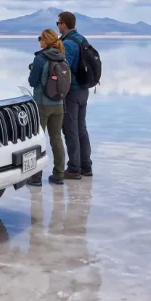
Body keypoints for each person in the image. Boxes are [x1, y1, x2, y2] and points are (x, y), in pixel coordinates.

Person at [25, 29, 68, 186]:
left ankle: (36, 177)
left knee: (38, 139)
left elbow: (32, 81)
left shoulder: (40, 58)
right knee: (56, 138)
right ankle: (59, 174)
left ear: (45, 41)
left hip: (42, 104)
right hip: (59, 104)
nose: (39, 41)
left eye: (40, 39)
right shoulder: (63, 57)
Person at [57, 11, 92, 179]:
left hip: (72, 91)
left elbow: (64, 69)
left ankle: (74, 169)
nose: (57, 26)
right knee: (81, 129)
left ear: (64, 24)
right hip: (84, 90)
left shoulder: (69, 43)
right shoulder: (81, 39)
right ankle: (86, 166)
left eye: (58, 23)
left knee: (70, 130)